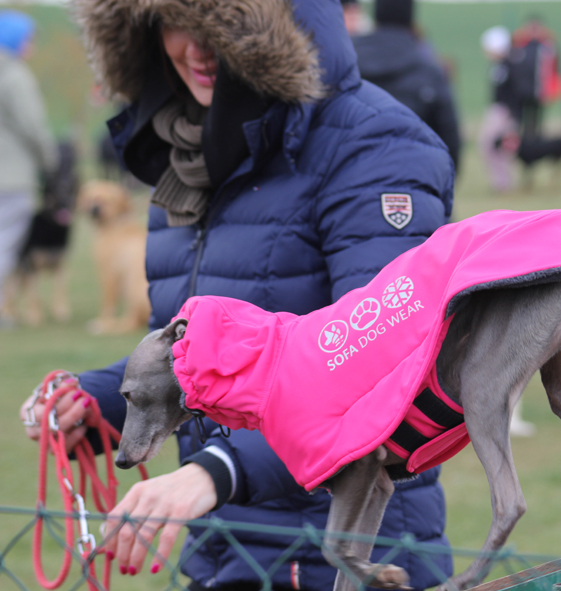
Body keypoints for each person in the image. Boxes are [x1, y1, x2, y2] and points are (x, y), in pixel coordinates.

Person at [18, 1, 455, 590]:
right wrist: (99, 401)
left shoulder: (374, 145)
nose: (195, 48)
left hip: (349, 557)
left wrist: (215, 472)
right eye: (174, 21)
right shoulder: (187, 158)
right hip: (222, 555)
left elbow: (383, 365)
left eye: (218, 26)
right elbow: (198, 361)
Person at [352, 0, 461, 174]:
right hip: (413, 179)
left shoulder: (348, 62)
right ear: (411, 17)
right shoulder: (429, 69)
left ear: (376, 15)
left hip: (352, 178)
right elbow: (448, 133)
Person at [0, 10, 57, 327]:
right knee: (4, 245)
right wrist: (49, 163)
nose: (31, 46)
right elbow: (33, 127)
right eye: (29, 39)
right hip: (10, 178)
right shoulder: (14, 75)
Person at [508, 16, 561, 140]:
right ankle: (521, 146)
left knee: (536, 122)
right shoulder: (519, 45)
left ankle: (535, 145)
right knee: (519, 121)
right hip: (520, 92)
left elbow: (555, 69)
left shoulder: (548, 47)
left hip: (539, 91)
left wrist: (552, 89)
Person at [478, 26, 519, 193]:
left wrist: (512, 115)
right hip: (500, 110)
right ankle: (501, 182)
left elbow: (514, 92)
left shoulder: (507, 67)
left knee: (491, 146)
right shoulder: (500, 66)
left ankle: (503, 183)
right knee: (493, 147)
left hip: (503, 112)